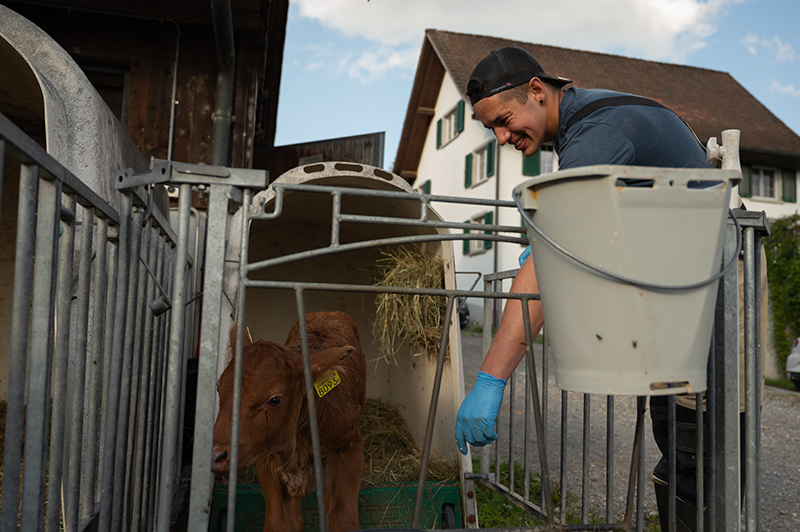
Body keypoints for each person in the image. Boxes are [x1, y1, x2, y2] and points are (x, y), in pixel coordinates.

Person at [455, 46, 709, 455]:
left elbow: (552, 263)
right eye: (492, 129)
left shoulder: (596, 131)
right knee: (678, 447)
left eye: (504, 120)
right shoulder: (583, 124)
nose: (501, 138)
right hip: (686, 291)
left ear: (537, 91)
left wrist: (490, 379)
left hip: (716, 289)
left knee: (699, 455)